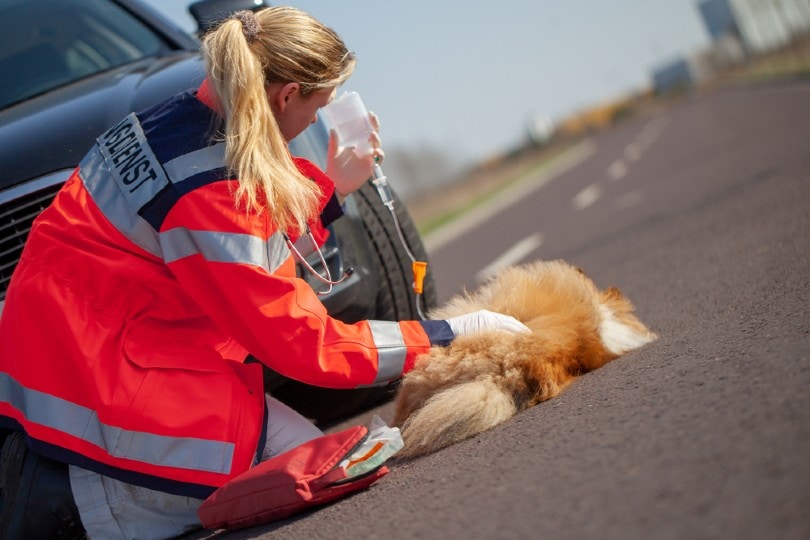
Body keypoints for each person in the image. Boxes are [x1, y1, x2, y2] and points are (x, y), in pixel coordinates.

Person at [0, 7, 528, 539]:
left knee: (317, 456)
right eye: (318, 104)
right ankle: (78, 503)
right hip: (101, 383)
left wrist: (332, 190)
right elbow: (303, 343)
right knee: (316, 466)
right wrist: (448, 334)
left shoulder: (165, 124)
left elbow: (228, 261)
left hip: (66, 352)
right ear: (287, 95)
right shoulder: (212, 186)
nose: (316, 116)